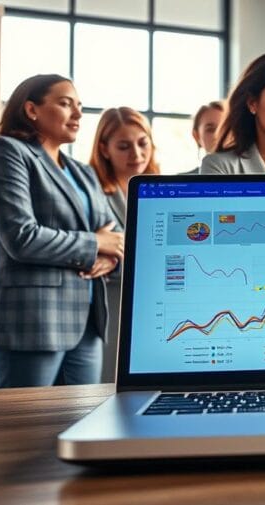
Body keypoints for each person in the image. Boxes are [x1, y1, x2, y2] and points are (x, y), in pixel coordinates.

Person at [0, 74, 123, 388]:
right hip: (33, 320)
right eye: (66, 104)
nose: (78, 114)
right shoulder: (6, 152)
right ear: (31, 110)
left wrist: (110, 257)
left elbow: (116, 233)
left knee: (81, 425)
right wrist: (96, 243)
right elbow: (21, 237)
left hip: (87, 324)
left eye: (79, 106)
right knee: (23, 430)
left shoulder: (83, 171)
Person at [88, 106, 160, 382]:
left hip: (151, 304)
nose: (137, 155)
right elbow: (95, 254)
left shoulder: (158, 188)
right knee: (108, 383)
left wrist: (116, 254)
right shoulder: (94, 192)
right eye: (124, 146)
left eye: (143, 144)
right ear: (105, 149)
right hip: (112, 306)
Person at [184, 101, 226, 173]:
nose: (219, 135)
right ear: (196, 136)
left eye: (224, 129)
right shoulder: (182, 181)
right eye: (211, 129)